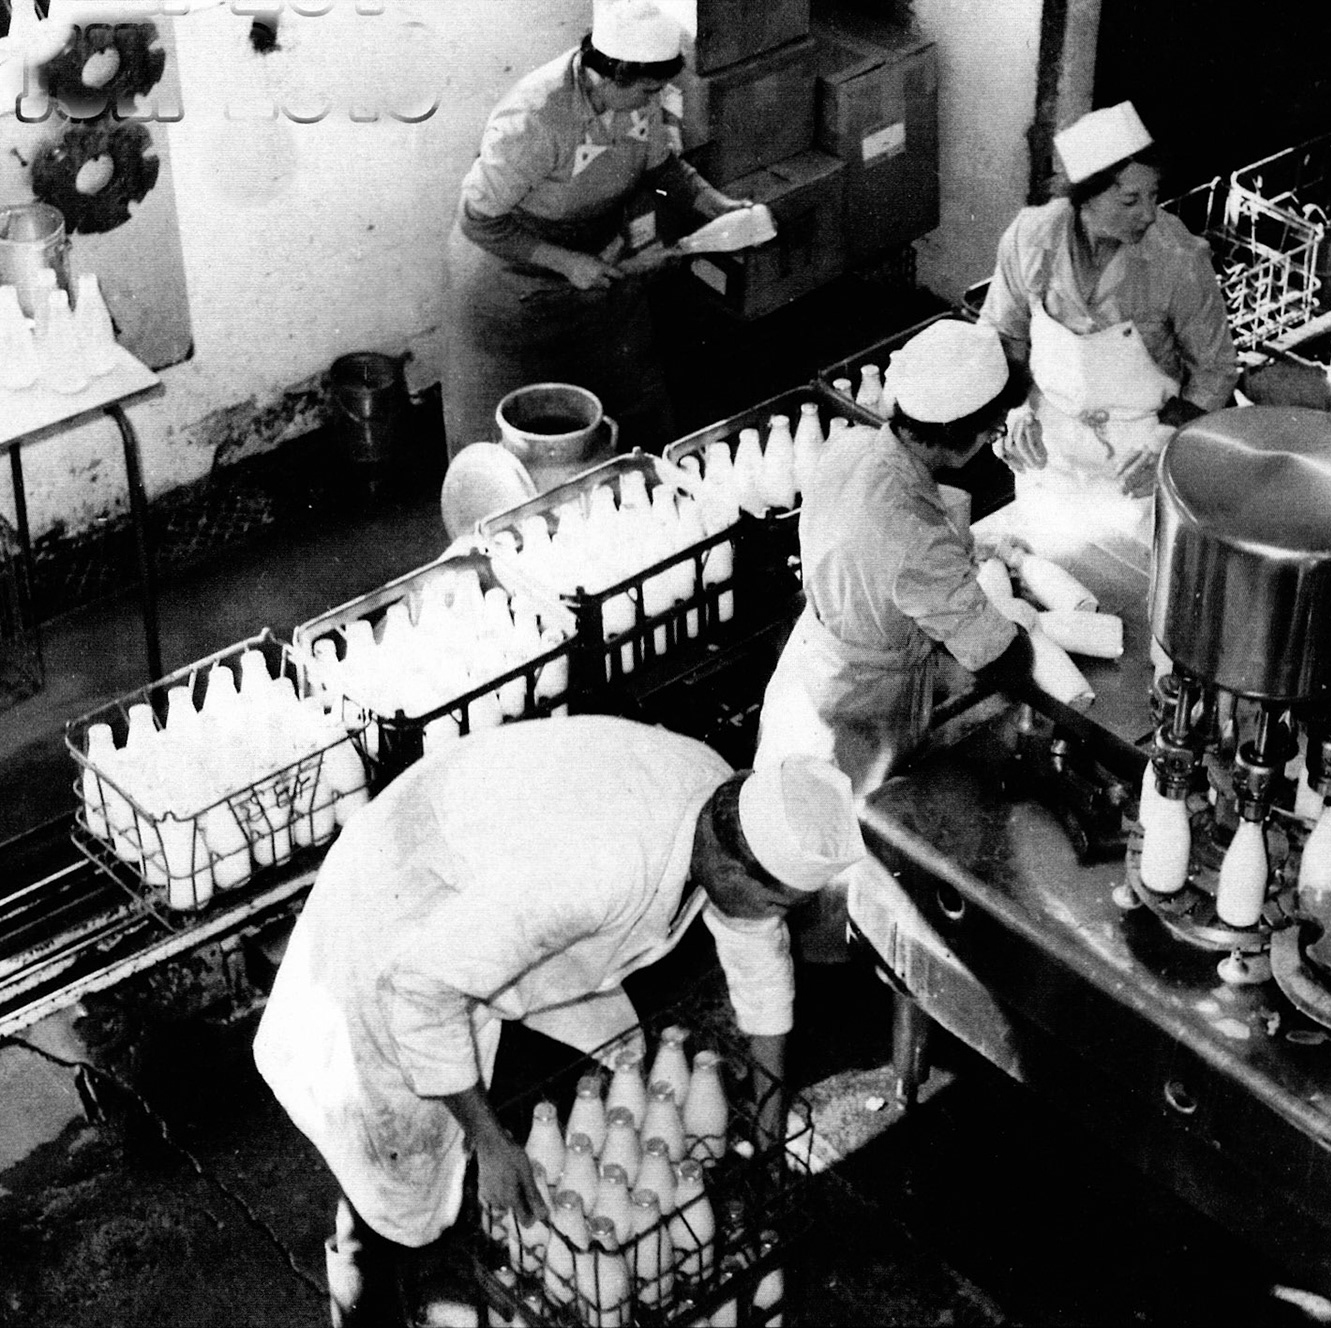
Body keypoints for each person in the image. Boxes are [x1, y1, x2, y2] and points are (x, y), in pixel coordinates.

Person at [253, 716, 863, 1326]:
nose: (775, 919)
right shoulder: (604, 870)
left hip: (486, 895)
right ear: (734, 870)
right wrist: (492, 1144)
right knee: (397, 1184)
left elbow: (758, 953)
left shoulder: (720, 808)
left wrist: (768, 1112)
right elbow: (419, 986)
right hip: (393, 923)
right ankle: (366, 1301)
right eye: (778, 902)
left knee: (593, 1071)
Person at [440, 0, 749, 459]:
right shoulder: (535, 119)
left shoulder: (638, 99)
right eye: (647, 91)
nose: (652, 102)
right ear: (612, 74)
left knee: (632, 409)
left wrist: (714, 204)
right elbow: (478, 218)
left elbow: (665, 169)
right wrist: (564, 262)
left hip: (598, 267)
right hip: (511, 285)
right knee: (519, 439)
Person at [753, 318, 1035, 801]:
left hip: (809, 677)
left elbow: (879, 561)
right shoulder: (916, 537)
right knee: (836, 831)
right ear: (955, 430)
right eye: (992, 430)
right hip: (855, 716)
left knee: (780, 816)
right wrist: (1029, 627)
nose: (992, 439)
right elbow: (1001, 658)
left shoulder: (851, 446)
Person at [979, 101, 1238, 580]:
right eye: (1129, 200)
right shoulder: (1032, 239)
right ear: (1086, 196)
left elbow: (1215, 369)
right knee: (1044, 578)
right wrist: (1011, 413)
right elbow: (1002, 336)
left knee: (1134, 582)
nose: (1147, 214)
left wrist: (1166, 441)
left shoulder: (1176, 259)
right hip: (1049, 450)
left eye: (1153, 196)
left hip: (1138, 458)